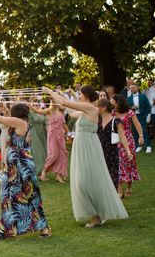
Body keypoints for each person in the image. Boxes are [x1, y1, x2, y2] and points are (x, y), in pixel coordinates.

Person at [43, 86, 128, 228]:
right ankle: (98, 214)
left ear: (86, 95)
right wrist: (55, 96)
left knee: (85, 181)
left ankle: (97, 215)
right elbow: (70, 112)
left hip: (88, 146)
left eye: (81, 94)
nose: (80, 96)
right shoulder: (85, 109)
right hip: (82, 146)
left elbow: (65, 103)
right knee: (83, 181)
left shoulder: (90, 107)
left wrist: (50, 92)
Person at [0, 103, 51, 239]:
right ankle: (8, 230)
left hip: (22, 166)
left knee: (26, 195)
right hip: (15, 166)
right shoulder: (21, 122)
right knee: (11, 196)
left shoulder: (19, 122)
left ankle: (43, 228)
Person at [112, 94, 143, 197]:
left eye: (113, 101)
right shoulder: (112, 113)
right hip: (116, 140)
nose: (112, 103)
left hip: (128, 140)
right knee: (118, 163)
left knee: (129, 163)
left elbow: (137, 124)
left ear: (118, 102)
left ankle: (129, 187)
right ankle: (119, 189)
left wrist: (141, 136)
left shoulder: (130, 112)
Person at [96, 99, 131, 190]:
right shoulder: (97, 120)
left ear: (104, 108)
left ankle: (112, 195)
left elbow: (122, 136)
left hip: (111, 152)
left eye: (97, 106)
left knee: (112, 174)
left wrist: (128, 151)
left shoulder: (116, 121)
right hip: (99, 151)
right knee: (100, 174)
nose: (96, 109)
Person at [38, 103, 69, 183]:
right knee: (54, 155)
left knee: (62, 155)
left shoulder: (60, 111)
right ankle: (44, 171)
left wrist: (69, 134)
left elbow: (64, 125)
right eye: (52, 101)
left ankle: (59, 176)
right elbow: (39, 111)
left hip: (60, 136)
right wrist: (32, 107)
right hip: (52, 136)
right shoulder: (49, 111)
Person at [127, 83, 152, 152]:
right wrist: (132, 108)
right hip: (133, 117)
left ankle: (148, 146)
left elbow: (148, 106)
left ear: (137, 88)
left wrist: (146, 115)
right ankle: (138, 146)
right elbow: (127, 108)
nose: (132, 89)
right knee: (134, 131)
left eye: (133, 88)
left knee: (144, 131)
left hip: (141, 116)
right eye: (131, 88)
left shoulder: (143, 96)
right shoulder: (129, 98)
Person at [27, 104, 47, 178]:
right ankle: (41, 173)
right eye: (34, 105)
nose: (36, 106)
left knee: (44, 152)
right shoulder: (30, 114)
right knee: (38, 153)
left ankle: (39, 172)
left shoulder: (42, 113)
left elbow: (45, 125)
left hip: (42, 134)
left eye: (38, 105)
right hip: (34, 133)